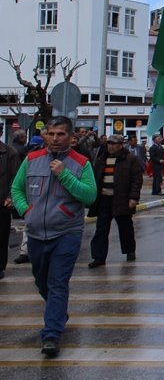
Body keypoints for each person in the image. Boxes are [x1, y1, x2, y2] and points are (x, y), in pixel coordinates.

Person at [10, 116, 96, 357]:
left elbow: (89, 196)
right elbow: (16, 189)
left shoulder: (81, 163)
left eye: (61, 134)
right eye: (52, 134)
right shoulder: (31, 159)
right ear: (45, 135)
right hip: (36, 232)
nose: (56, 139)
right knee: (41, 281)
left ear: (71, 137)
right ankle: (58, 312)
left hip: (66, 232)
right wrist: (26, 210)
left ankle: (51, 335)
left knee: (57, 282)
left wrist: (64, 175)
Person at [87, 134, 144, 268]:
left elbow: (137, 180)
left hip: (122, 199)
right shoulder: (101, 159)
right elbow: (96, 178)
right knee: (101, 229)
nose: (111, 147)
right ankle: (99, 257)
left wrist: (133, 197)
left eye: (114, 144)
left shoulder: (130, 159)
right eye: (109, 144)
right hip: (104, 199)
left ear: (120, 145)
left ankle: (129, 251)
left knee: (125, 228)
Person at [0, 126, 22, 280]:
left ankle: (0, 266)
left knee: (1, 235)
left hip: (2, 202)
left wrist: (10, 197)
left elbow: (16, 178)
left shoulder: (9, 152)